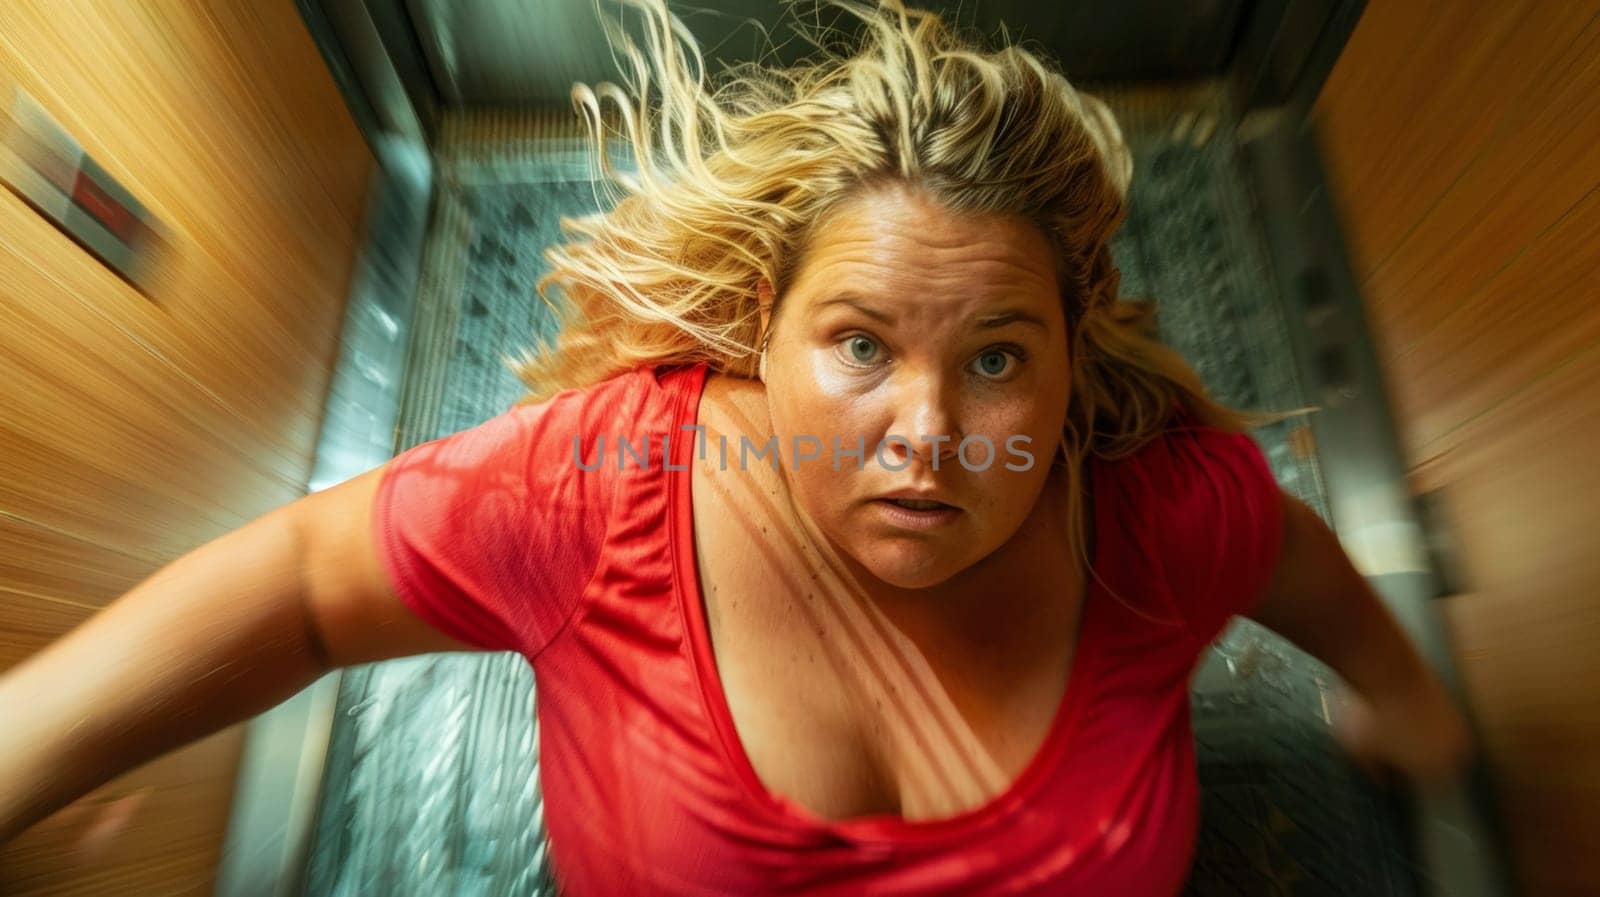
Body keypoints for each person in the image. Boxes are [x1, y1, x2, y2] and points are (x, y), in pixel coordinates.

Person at [0, 0, 1473, 893]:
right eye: (860, 346)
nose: (931, 435)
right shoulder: (599, 490)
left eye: (999, 359)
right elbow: (317, 582)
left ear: (1072, 350)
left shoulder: (1158, 512)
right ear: (762, 327)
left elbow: (1294, 555)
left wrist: (1407, 692)